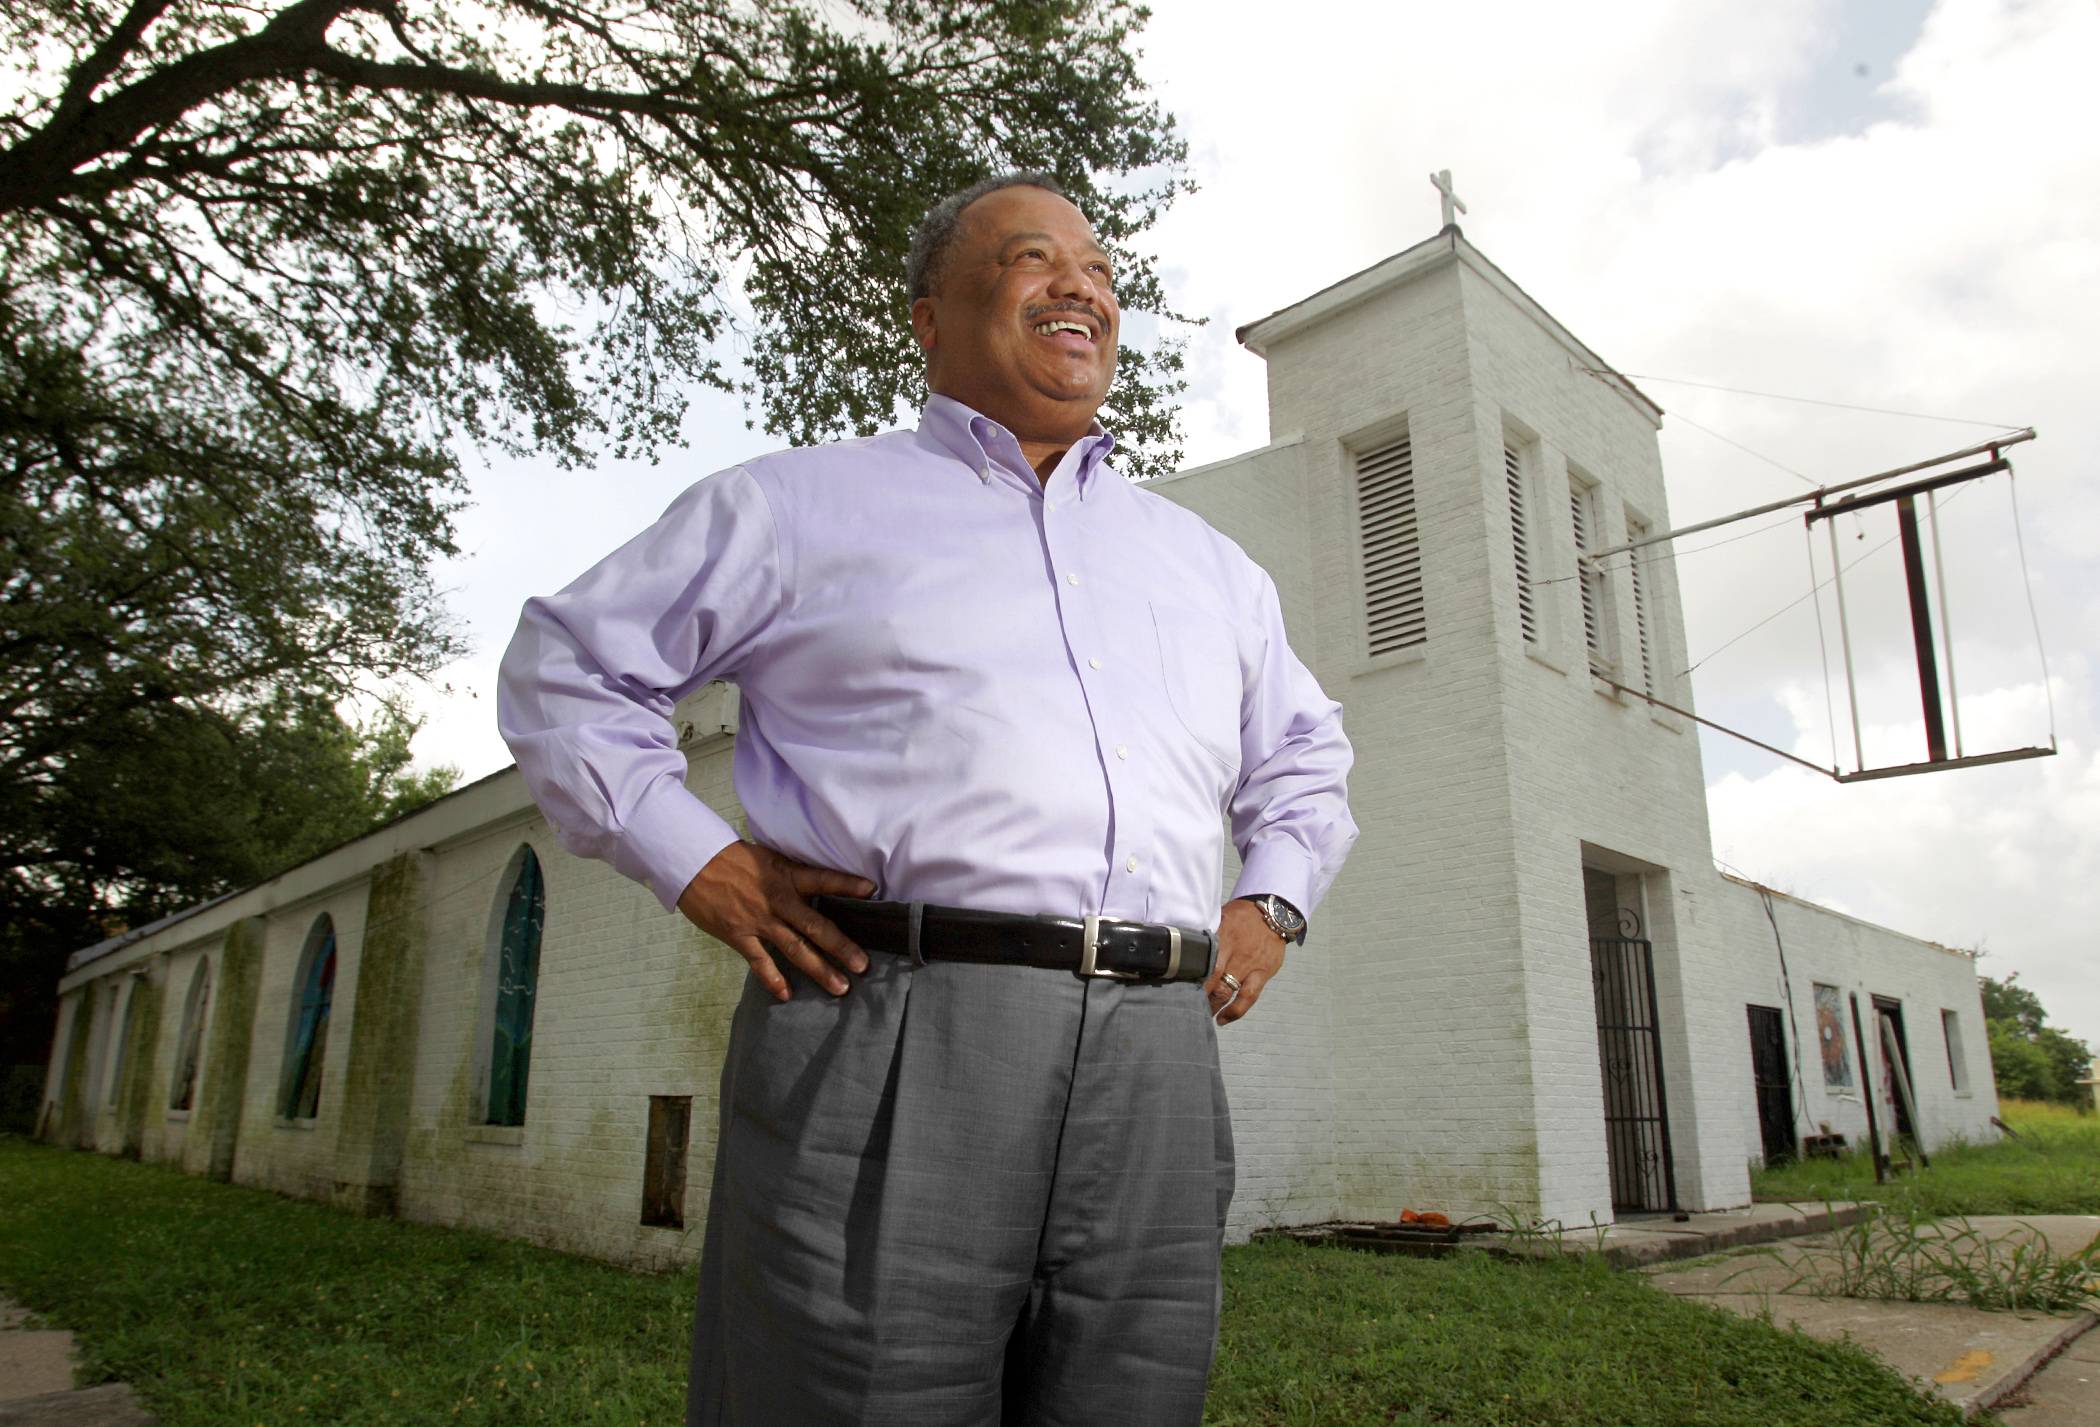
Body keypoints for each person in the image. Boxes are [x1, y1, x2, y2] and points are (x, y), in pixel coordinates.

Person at [497, 172, 1357, 1427]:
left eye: (1101, 272)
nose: (1080, 285)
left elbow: (1304, 751)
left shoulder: (1208, 565)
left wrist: (1272, 900)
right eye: (1029, 257)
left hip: (1160, 1061)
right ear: (928, 318)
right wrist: (700, 858)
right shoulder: (797, 508)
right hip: (889, 1023)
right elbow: (568, 667)